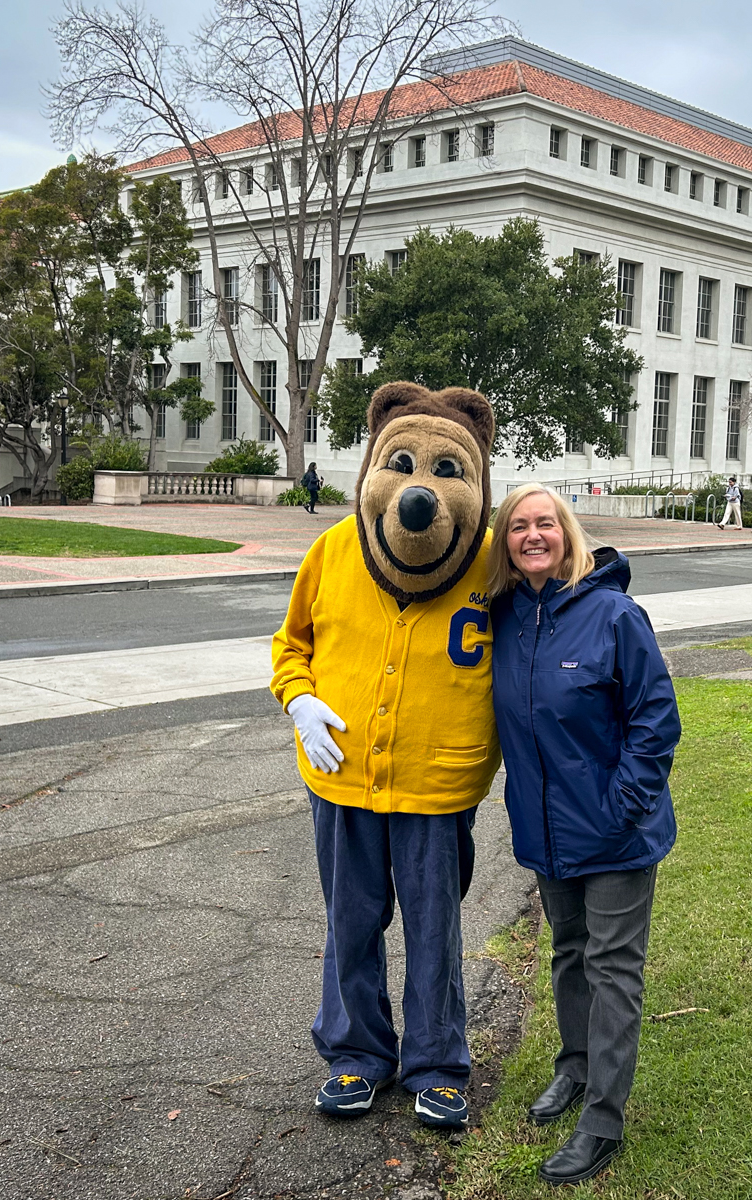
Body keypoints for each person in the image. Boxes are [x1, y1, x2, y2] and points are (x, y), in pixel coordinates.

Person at [271, 383, 502, 1131]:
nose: (418, 492)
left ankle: (437, 1063)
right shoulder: (333, 549)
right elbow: (291, 643)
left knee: (435, 926)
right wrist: (298, 698)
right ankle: (356, 1053)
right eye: (400, 464)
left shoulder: (491, 562)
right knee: (352, 918)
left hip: (437, 782)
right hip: (341, 777)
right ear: (374, 463)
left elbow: (558, 596)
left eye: (445, 471)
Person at [488, 484, 681, 1187]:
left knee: (613, 971)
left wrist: (620, 804)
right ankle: (573, 1069)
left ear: (567, 535)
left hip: (615, 835)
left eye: (545, 524)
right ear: (505, 542)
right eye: (518, 527)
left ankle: (603, 1118)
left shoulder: (614, 615)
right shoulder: (506, 616)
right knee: (568, 955)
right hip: (546, 833)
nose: (532, 535)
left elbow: (656, 719)